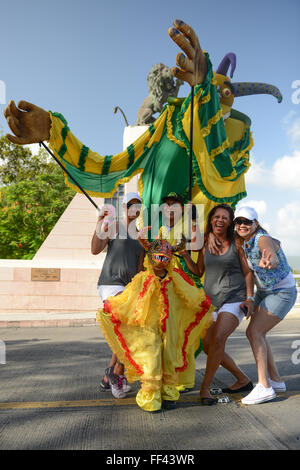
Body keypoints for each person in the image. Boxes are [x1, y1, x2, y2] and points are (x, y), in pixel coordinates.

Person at [96, 229, 213, 413]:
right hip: (149, 328)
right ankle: (151, 396)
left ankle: (168, 394)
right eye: (157, 258)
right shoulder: (143, 279)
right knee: (151, 358)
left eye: (165, 259)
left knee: (169, 356)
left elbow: (190, 295)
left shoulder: (176, 278)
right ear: (149, 258)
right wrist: (114, 307)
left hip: (171, 326)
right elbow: (129, 298)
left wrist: (202, 305)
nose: (160, 264)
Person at [181, 204, 255, 405]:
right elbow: (198, 271)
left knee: (219, 339)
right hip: (211, 301)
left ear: (230, 222)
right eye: (217, 216)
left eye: (225, 217)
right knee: (208, 346)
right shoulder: (205, 243)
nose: (220, 220)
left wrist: (250, 298)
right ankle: (242, 379)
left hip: (235, 298)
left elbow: (248, 272)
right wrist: (186, 256)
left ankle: (205, 388)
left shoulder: (237, 243)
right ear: (211, 219)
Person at [233, 206, 297, 405]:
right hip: (264, 292)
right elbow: (249, 274)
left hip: (282, 292)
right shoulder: (242, 244)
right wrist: (250, 299)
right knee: (257, 333)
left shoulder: (262, 238)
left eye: (247, 222)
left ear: (256, 223)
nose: (242, 225)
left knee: (254, 332)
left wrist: (271, 260)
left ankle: (264, 386)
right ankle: (275, 381)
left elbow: (270, 252)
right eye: (239, 221)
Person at [91, 192, 145, 398]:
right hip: (110, 285)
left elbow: (139, 268)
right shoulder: (114, 227)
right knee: (127, 330)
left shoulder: (140, 235)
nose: (134, 208)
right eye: (130, 204)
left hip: (129, 288)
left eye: (137, 204)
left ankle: (110, 376)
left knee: (128, 331)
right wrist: (99, 224)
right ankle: (116, 373)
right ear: (124, 206)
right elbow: (95, 249)